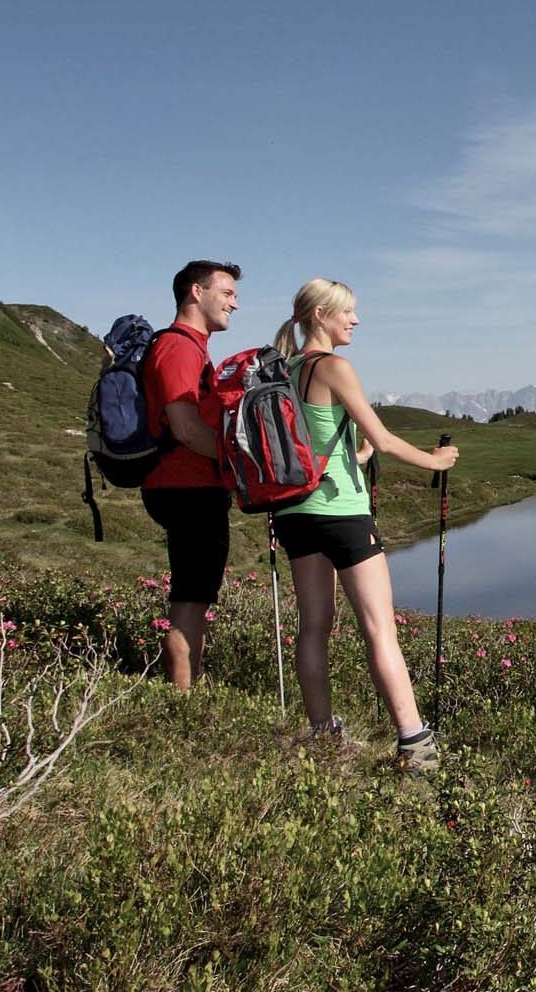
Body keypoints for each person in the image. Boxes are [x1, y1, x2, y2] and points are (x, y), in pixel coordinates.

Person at [271, 278, 460, 770]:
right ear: (319, 316)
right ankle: (414, 743)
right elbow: (387, 439)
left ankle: (322, 734)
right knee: (379, 629)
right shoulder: (335, 367)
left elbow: (327, 449)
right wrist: (437, 461)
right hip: (343, 515)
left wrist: (361, 452)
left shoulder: (284, 370)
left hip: (294, 513)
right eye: (346, 312)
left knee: (313, 627)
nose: (354, 321)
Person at [141, 259, 241, 690]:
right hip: (187, 486)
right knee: (189, 598)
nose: (235, 303)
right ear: (196, 293)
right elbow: (183, 426)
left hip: (188, 486)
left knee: (195, 595)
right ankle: (181, 701)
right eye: (227, 293)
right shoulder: (180, 347)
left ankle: (190, 686)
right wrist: (235, 463)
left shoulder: (192, 347)